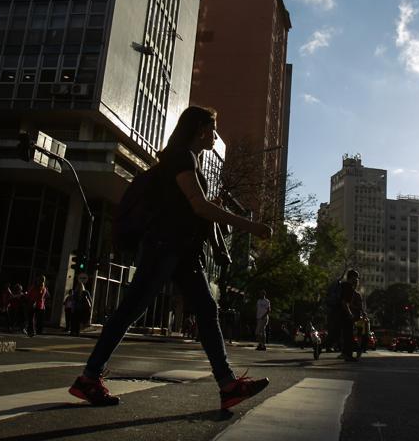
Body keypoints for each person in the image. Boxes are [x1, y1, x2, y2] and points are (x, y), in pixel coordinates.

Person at [68, 106, 273, 410]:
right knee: (131, 311)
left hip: (183, 251)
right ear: (201, 129)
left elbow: (192, 206)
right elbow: (198, 206)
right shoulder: (181, 156)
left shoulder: (187, 161)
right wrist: (251, 226)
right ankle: (89, 378)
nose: (215, 137)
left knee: (206, 310)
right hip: (165, 246)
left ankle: (228, 385)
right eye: (213, 129)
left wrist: (206, 207)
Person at [331, 269, 361, 362]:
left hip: (337, 312)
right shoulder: (349, 287)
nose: (357, 279)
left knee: (342, 334)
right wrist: (350, 313)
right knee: (349, 336)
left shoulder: (342, 285)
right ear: (352, 277)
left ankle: (345, 353)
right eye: (356, 277)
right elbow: (345, 302)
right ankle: (348, 355)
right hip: (345, 314)